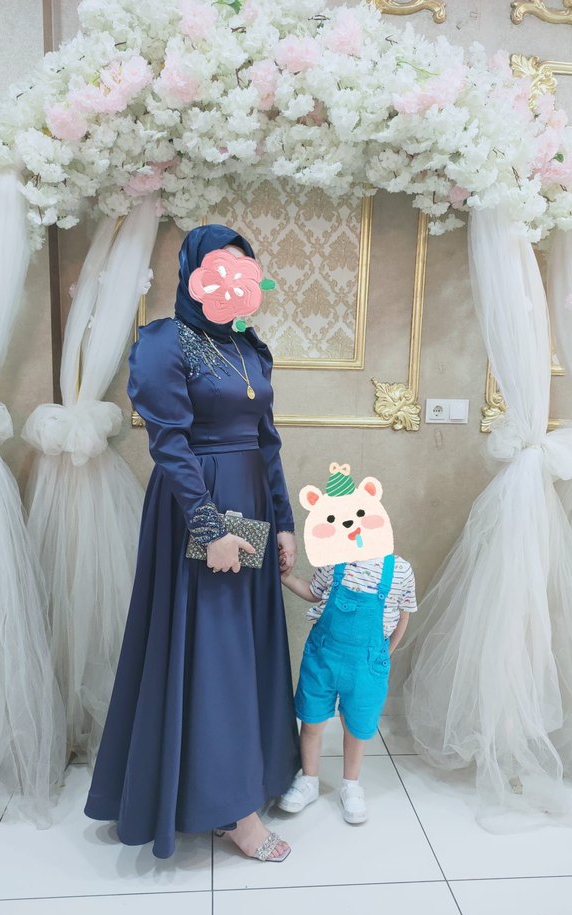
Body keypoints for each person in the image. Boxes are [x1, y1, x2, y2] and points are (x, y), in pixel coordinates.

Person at [85, 224, 300, 862]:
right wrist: (210, 529)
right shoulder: (164, 341)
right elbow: (169, 443)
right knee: (213, 650)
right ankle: (232, 811)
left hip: (251, 500)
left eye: (243, 264)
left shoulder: (250, 347)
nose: (233, 275)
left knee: (244, 647)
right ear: (194, 272)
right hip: (196, 504)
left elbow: (267, 441)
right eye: (221, 263)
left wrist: (283, 521)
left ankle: (244, 780)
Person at [278, 463, 417, 824]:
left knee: (356, 726)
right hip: (323, 657)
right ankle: (309, 779)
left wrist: (385, 653)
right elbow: (313, 592)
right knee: (311, 720)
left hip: (367, 664)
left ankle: (351, 785)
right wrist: (287, 578)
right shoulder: (335, 563)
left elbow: (404, 614)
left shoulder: (399, 570)